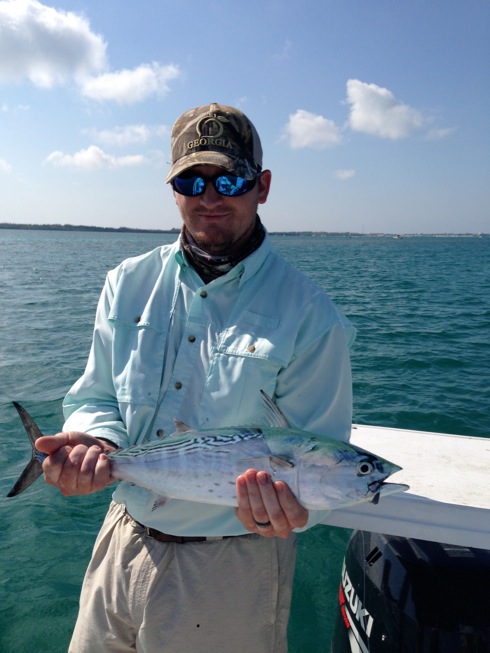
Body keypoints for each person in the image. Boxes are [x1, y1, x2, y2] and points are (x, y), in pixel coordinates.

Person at [36, 102, 355, 653]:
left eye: (230, 178)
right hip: (121, 537)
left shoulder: (310, 315)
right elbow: (95, 395)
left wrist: (295, 512)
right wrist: (97, 443)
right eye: (192, 179)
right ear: (173, 187)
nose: (211, 197)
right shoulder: (127, 282)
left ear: (263, 186)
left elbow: (321, 461)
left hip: (230, 565)